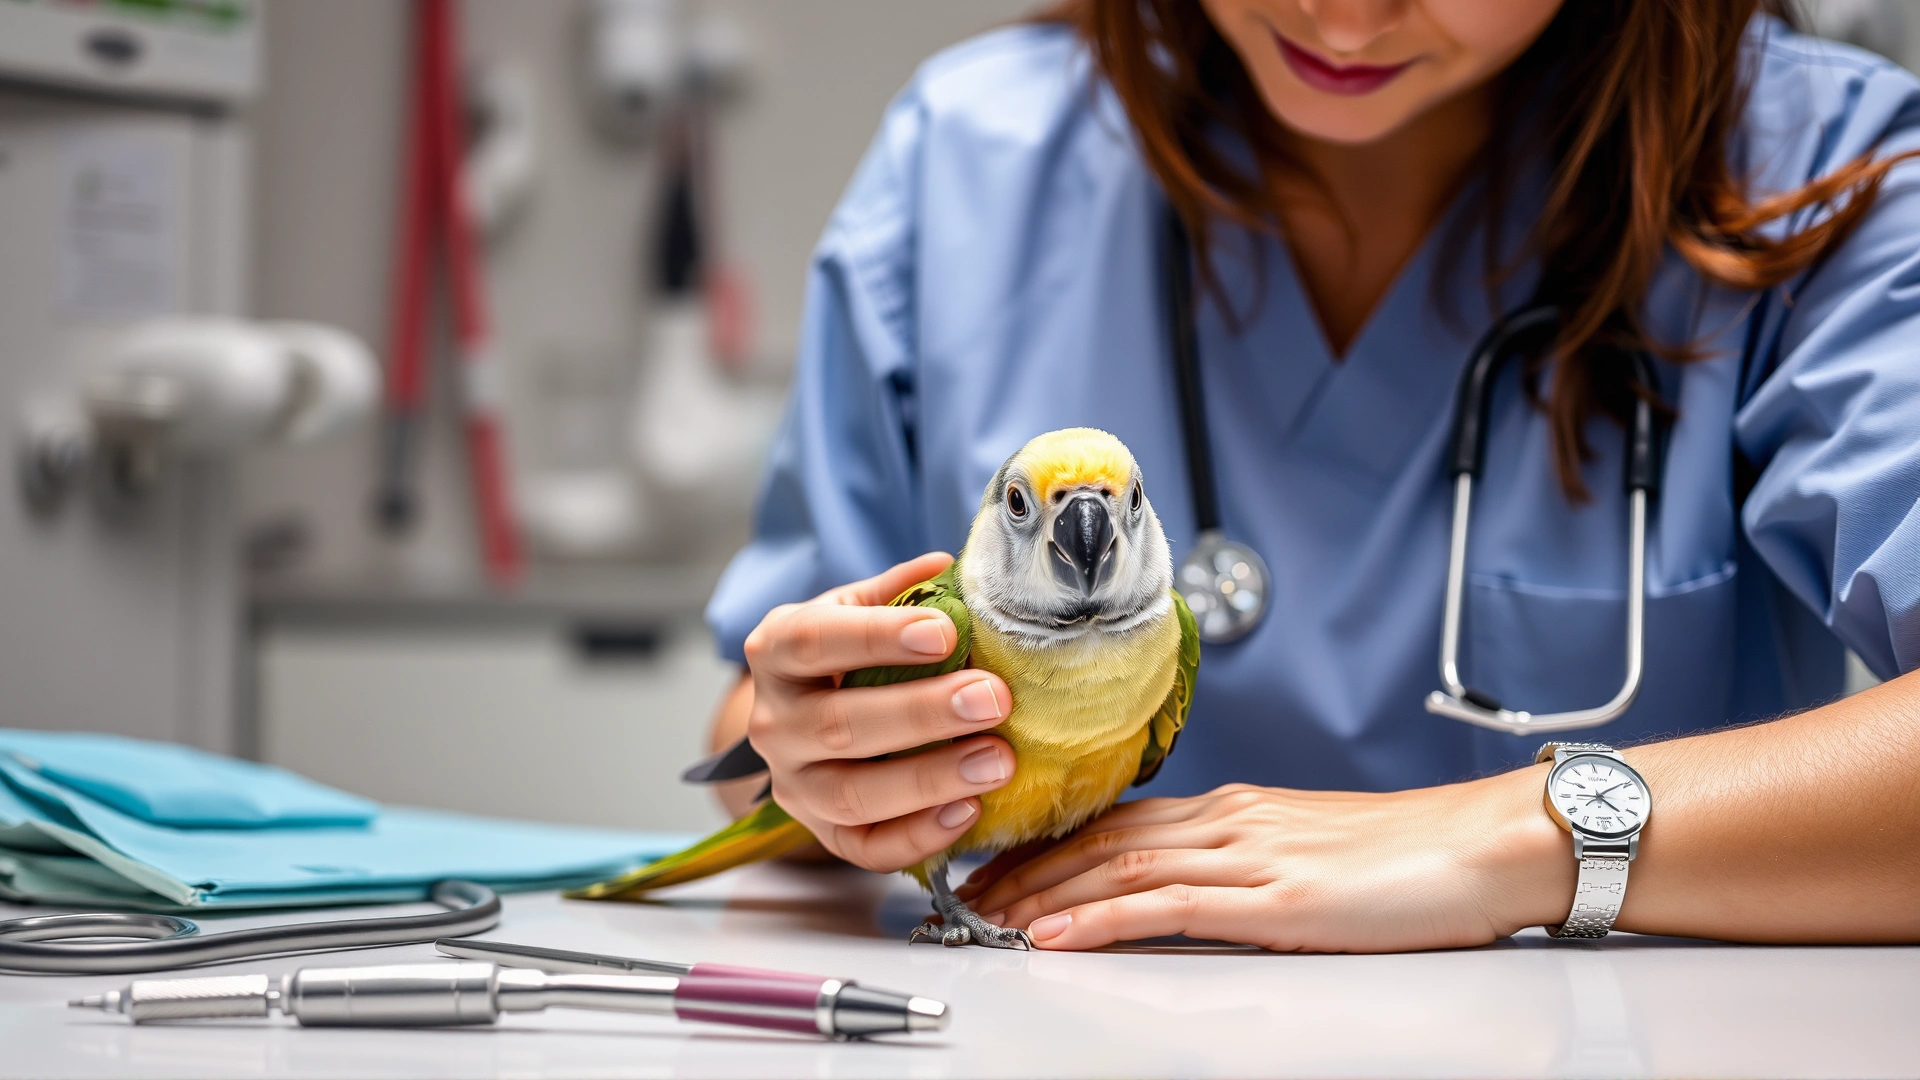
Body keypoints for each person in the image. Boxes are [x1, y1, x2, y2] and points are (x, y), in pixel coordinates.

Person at [701, 0, 1920, 951]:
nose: (1341, 19)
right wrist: (834, 761)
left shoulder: (1834, 176)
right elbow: (751, 740)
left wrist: (1510, 836)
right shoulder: (965, 160)